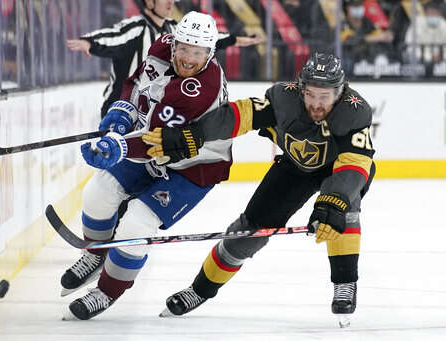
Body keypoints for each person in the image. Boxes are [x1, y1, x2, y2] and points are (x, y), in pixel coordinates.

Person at [142, 53, 376, 327]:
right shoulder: (283, 98)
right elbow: (239, 114)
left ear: (340, 92)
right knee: (247, 233)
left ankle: (345, 283)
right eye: (310, 94)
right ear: (301, 88)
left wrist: (334, 201)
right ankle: (199, 290)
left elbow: (355, 163)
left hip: (341, 169)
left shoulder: (354, 110)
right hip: (294, 168)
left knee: (342, 213)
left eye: (324, 96)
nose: (316, 103)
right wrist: (197, 133)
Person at [62, 11, 234, 321]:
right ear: (174, 43)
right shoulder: (160, 46)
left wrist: (119, 145)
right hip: (152, 145)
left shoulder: (199, 90)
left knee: (137, 224)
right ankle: (95, 252)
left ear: (210, 53)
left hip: (193, 166)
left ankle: (107, 291)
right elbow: (137, 83)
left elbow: (158, 140)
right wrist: (124, 110)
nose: (188, 58)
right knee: (97, 193)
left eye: (197, 52)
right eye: (183, 48)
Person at [66, 0, 263, 118]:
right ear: (149, 2)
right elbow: (114, 36)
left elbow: (202, 41)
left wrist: (232, 39)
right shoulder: (136, 28)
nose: (171, 3)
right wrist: (90, 42)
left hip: (152, 108)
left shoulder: (173, 28)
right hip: (121, 107)